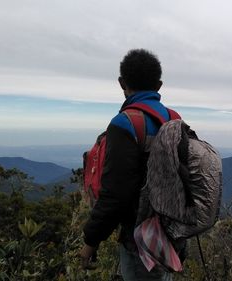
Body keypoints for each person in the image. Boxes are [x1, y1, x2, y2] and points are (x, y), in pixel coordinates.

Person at [80, 49, 180, 281]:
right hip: (171, 236)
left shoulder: (125, 124)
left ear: (121, 83)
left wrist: (91, 240)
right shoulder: (174, 120)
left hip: (139, 241)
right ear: (159, 85)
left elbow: (116, 194)